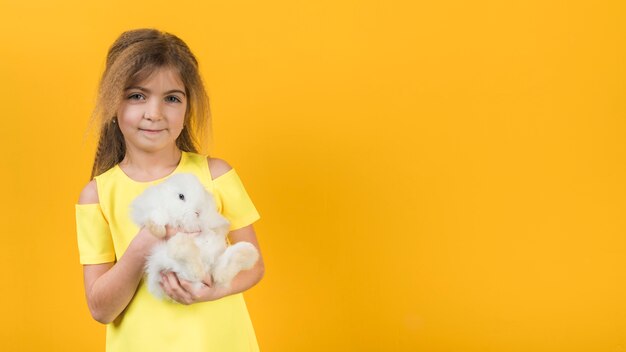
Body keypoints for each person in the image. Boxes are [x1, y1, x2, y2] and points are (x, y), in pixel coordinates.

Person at [75, 28, 265, 351]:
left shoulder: (216, 174)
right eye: (137, 96)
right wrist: (145, 243)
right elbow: (101, 308)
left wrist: (211, 291)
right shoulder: (97, 196)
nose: (154, 113)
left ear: (187, 107)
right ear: (113, 103)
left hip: (219, 343)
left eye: (172, 98)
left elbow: (254, 264)